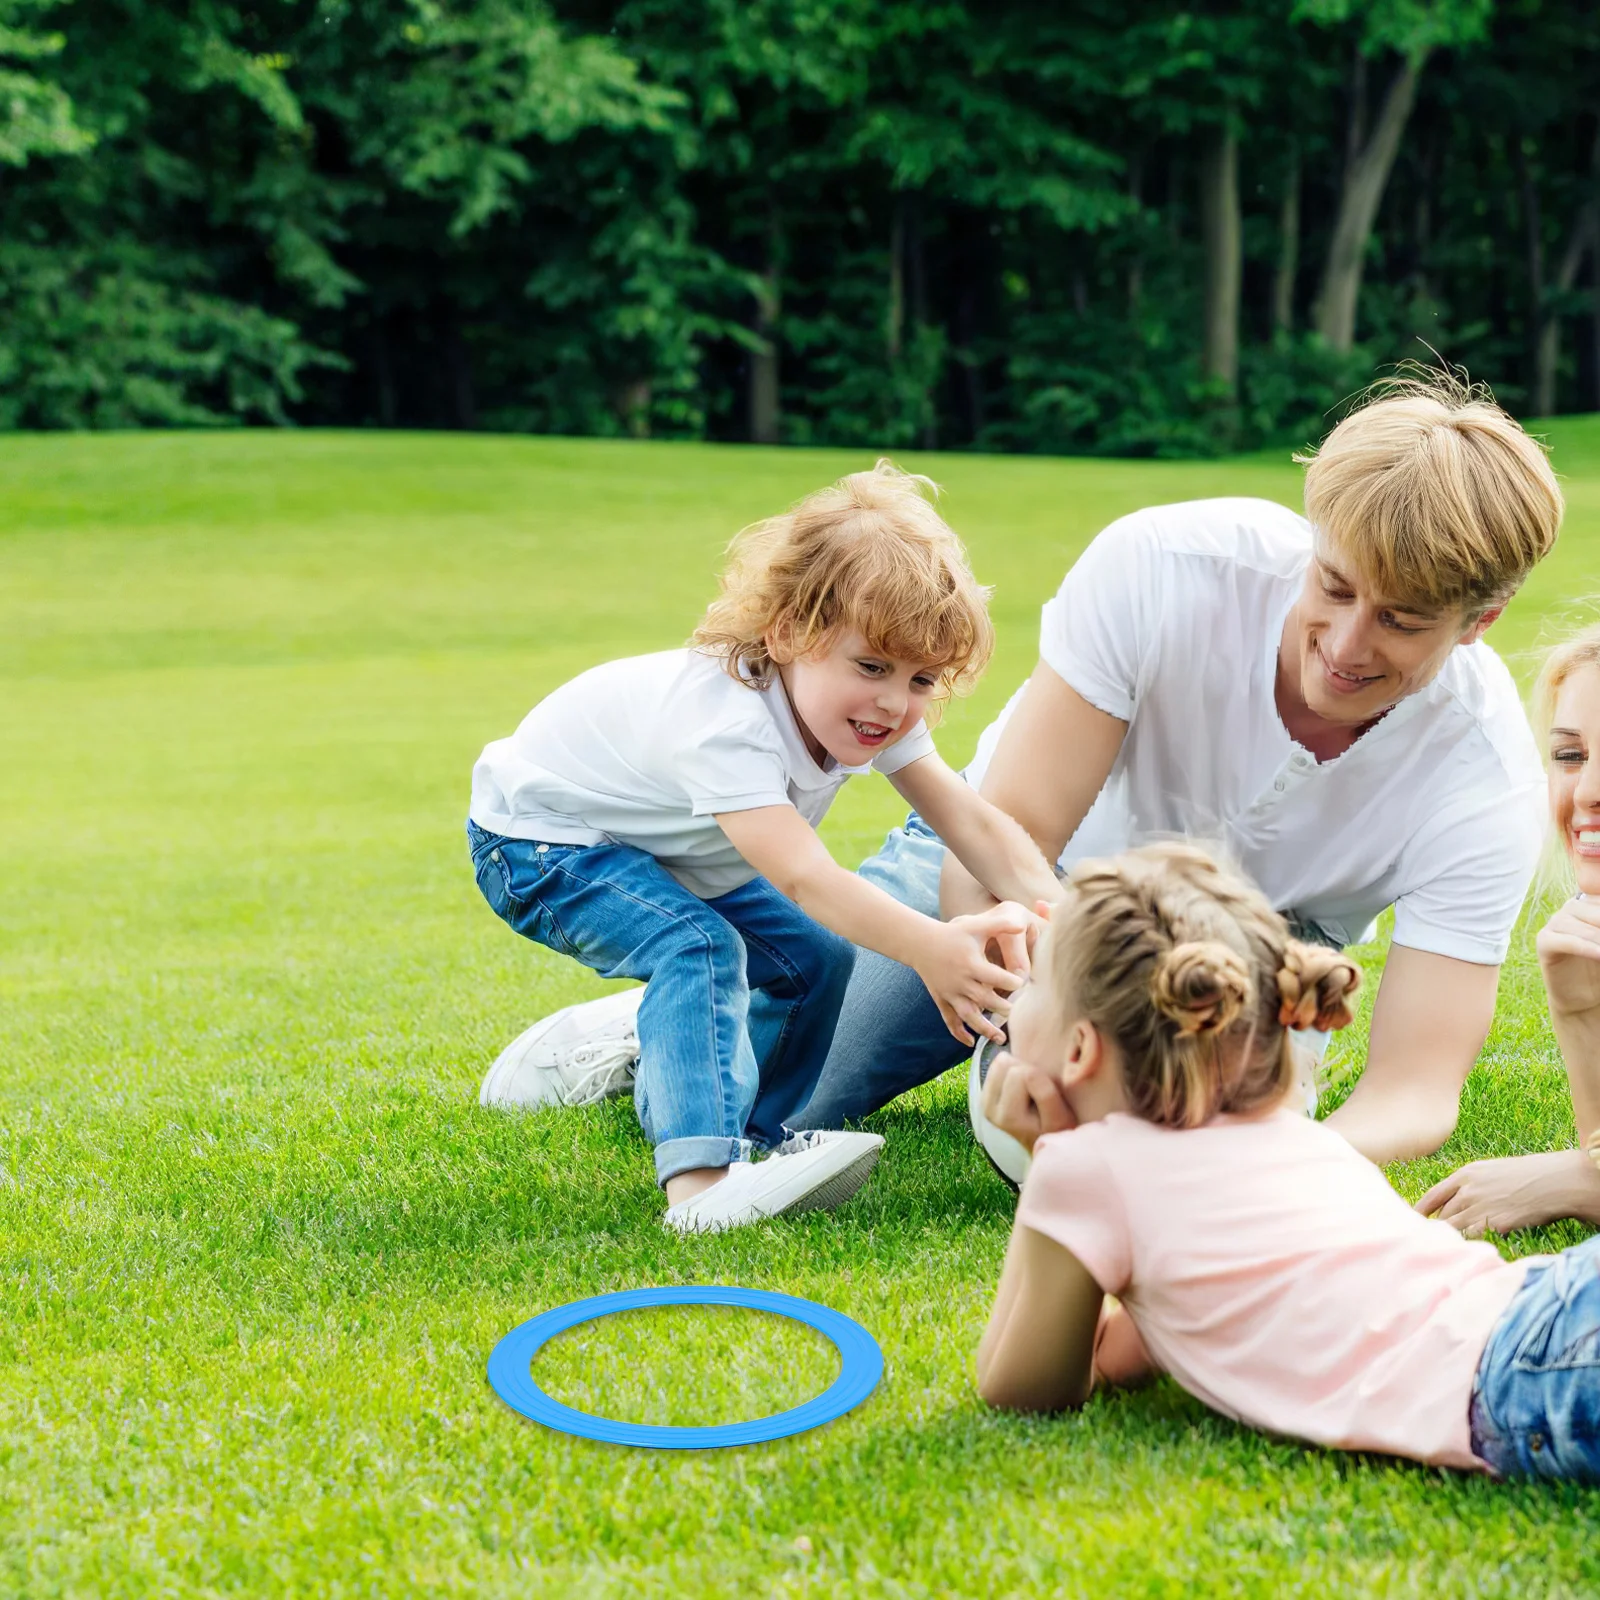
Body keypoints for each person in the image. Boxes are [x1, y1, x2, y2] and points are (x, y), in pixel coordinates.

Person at [794, 373, 1567, 1163]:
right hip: (1026, 871)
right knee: (785, 1080)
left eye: (1400, 623)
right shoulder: (1165, 565)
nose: (1344, 646)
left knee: (1160, 1130)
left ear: (1481, 622)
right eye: (1332, 587)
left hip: (1257, 951)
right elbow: (990, 864)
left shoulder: (1487, 779)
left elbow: (1413, 1092)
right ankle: (673, 1017)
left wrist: (1259, 1169)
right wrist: (1051, 1009)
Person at [467, 461, 1060, 1233]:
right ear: (788, 635)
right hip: (543, 843)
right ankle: (701, 1185)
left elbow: (970, 822)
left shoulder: (880, 714)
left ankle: (757, 1141)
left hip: (663, 850)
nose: (895, 701)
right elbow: (807, 878)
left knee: (817, 962)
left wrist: (1065, 922)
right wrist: (932, 948)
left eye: (921, 679)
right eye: (872, 666)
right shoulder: (730, 727)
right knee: (700, 948)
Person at [976, 841, 1599, 1482]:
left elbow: (1022, 1386)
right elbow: (1119, 1355)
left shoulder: (1084, 1166)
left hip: (1524, 1367)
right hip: (1544, 1307)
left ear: (1079, 1050)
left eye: (1032, 987)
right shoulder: (1294, 1139)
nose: (1016, 1003)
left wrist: (1045, 1162)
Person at [1418, 622, 1600, 1235]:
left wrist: (1567, 1180)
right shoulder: (1582, 931)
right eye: (1571, 756)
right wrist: (1580, 1008)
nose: (1589, 792)